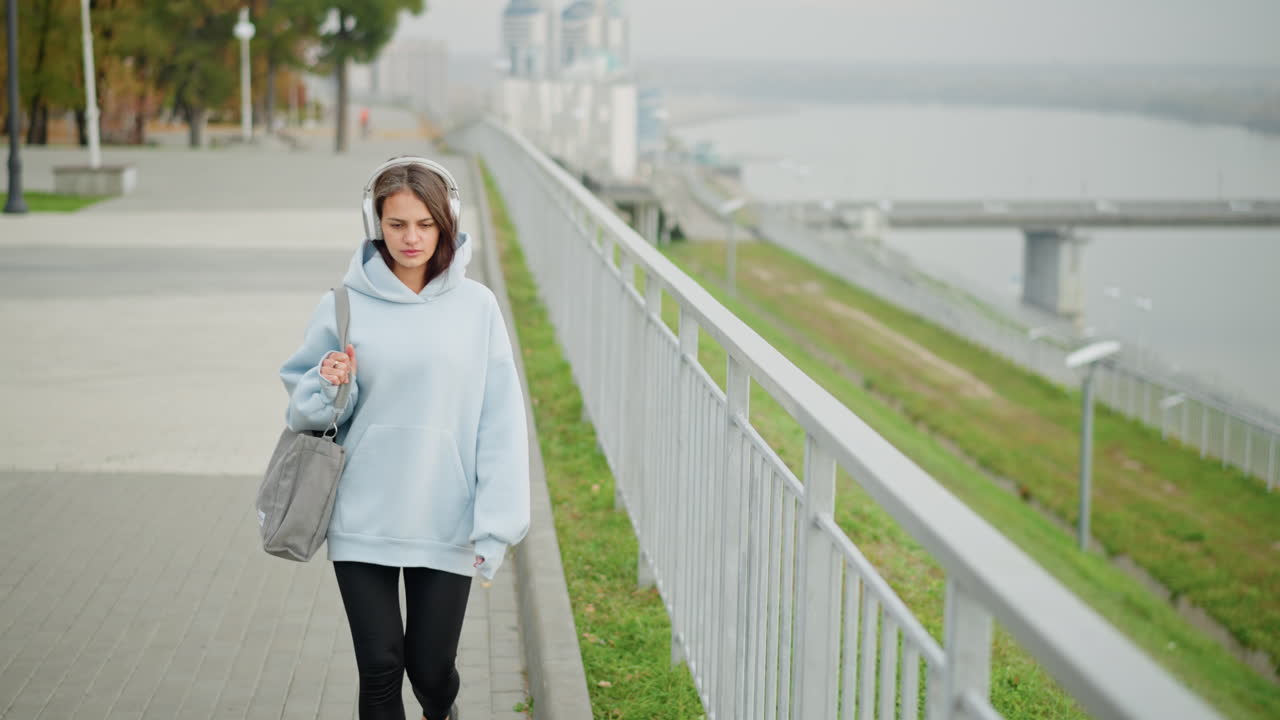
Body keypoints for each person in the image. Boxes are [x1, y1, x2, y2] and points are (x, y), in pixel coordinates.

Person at [279, 156, 531, 720]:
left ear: (447, 223)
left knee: (430, 669)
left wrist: (497, 524)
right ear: (376, 225)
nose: (411, 238)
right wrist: (329, 382)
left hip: (446, 517)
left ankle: (443, 711)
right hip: (362, 517)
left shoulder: (478, 308)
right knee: (380, 669)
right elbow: (304, 409)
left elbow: (501, 421)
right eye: (397, 225)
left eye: (424, 224)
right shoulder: (342, 304)